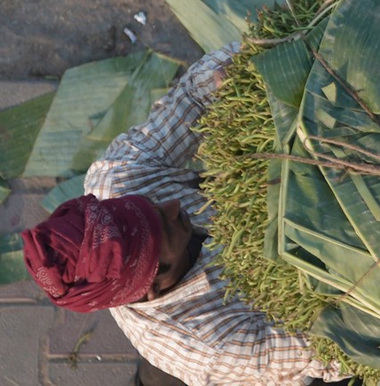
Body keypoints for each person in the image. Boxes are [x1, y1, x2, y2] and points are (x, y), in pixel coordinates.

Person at [21, 44, 353, 386]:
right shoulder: (213, 343)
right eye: (163, 226)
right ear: (152, 284)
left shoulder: (118, 178)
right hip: (247, 356)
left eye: (149, 206)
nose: (173, 207)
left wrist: (242, 71)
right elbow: (334, 349)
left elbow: (193, 99)